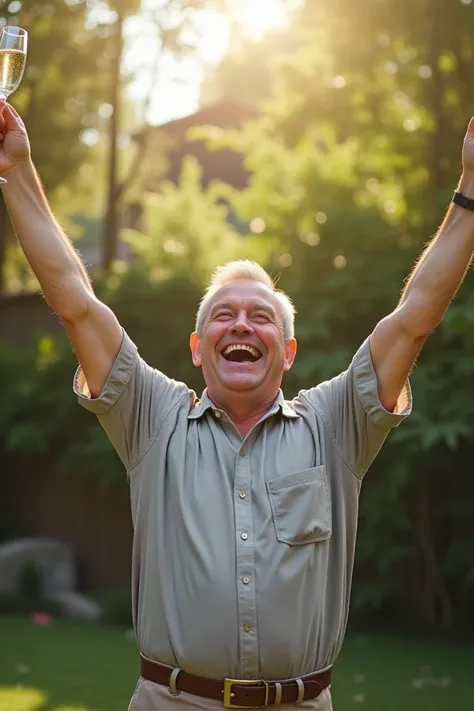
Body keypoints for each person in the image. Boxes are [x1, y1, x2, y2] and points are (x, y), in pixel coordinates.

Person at [3, 98, 474, 710]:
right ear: (199, 349)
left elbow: (413, 318)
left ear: (289, 350)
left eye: (261, 316)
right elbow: (73, 296)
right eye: (224, 315)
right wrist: (15, 168)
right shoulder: (154, 419)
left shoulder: (335, 425)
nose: (242, 324)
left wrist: (469, 193)